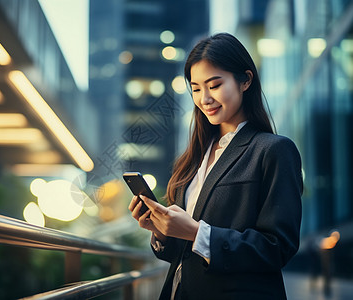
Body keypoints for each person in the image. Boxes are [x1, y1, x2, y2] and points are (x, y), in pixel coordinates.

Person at [128, 32, 303, 300]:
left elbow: (278, 247)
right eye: (196, 88)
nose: (204, 98)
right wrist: (161, 232)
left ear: (245, 80)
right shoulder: (193, 157)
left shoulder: (273, 150)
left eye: (214, 85)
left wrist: (197, 232)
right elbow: (184, 254)